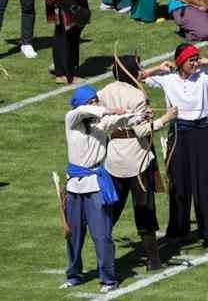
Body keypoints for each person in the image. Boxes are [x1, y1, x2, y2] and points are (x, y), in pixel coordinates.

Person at [142, 45, 208, 251]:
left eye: (197, 59)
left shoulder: (203, 79)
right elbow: (139, 77)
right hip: (179, 133)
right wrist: (159, 68)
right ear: (180, 62)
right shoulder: (168, 79)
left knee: (206, 184)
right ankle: (178, 231)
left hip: (201, 134)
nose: (196, 64)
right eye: (191, 60)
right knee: (179, 183)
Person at [62, 85, 144, 290]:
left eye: (95, 101)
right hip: (74, 187)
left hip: (95, 184)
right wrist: (109, 110)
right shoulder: (72, 119)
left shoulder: (101, 123)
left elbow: (122, 120)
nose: (95, 105)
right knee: (74, 234)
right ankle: (73, 274)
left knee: (102, 235)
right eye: (91, 102)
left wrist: (140, 115)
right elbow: (82, 112)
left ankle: (108, 278)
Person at [101, 55, 165, 271]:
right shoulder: (137, 95)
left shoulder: (104, 91)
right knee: (144, 208)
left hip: (114, 156)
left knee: (110, 211)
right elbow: (142, 130)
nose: (141, 70)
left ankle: (105, 260)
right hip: (136, 158)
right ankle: (153, 260)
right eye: (138, 67)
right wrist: (165, 119)